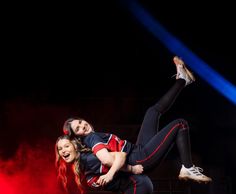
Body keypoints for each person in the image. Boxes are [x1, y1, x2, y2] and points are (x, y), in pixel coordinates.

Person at [63, 56, 212, 185]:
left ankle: (182, 80)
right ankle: (188, 168)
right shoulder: (91, 138)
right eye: (78, 129)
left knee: (152, 112)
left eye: (81, 122)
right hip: (140, 158)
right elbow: (106, 160)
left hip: (137, 149)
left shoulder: (92, 137)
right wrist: (130, 169)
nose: (83, 126)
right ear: (77, 136)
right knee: (180, 124)